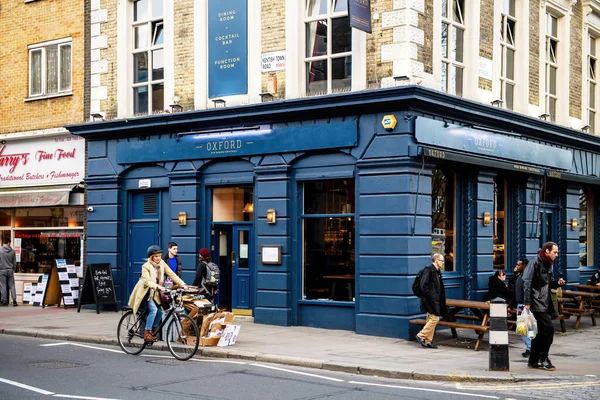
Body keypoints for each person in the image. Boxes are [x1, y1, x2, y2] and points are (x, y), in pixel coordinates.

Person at [128, 245, 187, 342]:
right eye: (155, 256)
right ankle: (147, 333)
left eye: (159, 256)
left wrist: (183, 284)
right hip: (145, 293)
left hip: (155, 293)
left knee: (161, 311)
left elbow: (171, 274)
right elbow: (148, 282)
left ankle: (152, 331)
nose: (158, 258)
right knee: (154, 310)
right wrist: (159, 287)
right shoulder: (146, 266)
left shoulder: (162, 263)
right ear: (151, 257)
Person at [523, 241, 565, 371]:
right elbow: (526, 282)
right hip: (536, 302)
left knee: (540, 333)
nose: (556, 255)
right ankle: (543, 357)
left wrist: (557, 283)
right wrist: (527, 302)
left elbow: (549, 283)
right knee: (549, 329)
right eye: (555, 252)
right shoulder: (534, 262)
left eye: (557, 252)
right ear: (547, 251)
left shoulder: (549, 265)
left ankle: (533, 360)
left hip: (544, 301)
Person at [415, 253, 447, 349]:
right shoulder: (429, 271)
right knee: (435, 319)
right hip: (430, 300)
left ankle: (428, 341)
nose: (443, 262)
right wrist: (432, 296)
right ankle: (421, 335)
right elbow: (423, 286)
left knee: (430, 318)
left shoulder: (437, 271)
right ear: (436, 260)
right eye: (441, 260)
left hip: (435, 299)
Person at [512, 258, 531, 358]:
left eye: (519, 265)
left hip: (524, 305)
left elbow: (528, 291)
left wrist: (526, 303)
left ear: (524, 266)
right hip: (520, 304)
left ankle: (530, 348)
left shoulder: (526, 277)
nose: (517, 266)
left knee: (524, 328)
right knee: (523, 328)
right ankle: (530, 348)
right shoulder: (521, 276)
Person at [0, 238, 18, 307]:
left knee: (3, 286)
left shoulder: (0, 251)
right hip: (10, 270)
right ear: (8, 243)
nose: (10, 244)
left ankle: (4, 301)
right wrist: (13, 269)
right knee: (12, 285)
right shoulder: (13, 251)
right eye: (10, 243)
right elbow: (14, 262)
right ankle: (14, 300)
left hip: (2, 270)